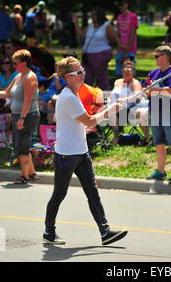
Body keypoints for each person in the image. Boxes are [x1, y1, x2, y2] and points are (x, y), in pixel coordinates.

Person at [43, 56, 128, 245]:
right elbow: (89, 120)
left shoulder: (73, 95)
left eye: (82, 70)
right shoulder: (68, 97)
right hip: (66, 154)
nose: (83, 74)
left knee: (92, 192)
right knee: (59, 194)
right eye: (78, 72)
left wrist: (83, 126)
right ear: (68, 77)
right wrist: (110, 110)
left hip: (81, 152)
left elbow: (71, 121)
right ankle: (49, 232)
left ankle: (105, 232)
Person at [0, 49, 40, 184]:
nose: (14, 65)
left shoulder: (30, 77)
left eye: (16, 62)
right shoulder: (18, 76)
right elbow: (6, 94)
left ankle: (24, 176)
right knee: (18, 144)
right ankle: (32, 173)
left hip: (28, 115)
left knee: (22, 145)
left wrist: (22, 119)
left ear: (24, 63)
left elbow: (28, 100)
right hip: (18, 115)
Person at [145, 46, 171, 184]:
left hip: (170, 111)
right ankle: (160, 171)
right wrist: (153, 90)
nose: (155, 58)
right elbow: (147, 89)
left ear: (166, 57)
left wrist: (156, 90)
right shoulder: (153, 73)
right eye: (155, 56)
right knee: (159, 143)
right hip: (155, 110)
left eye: (158, 56)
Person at [72, 8, 120, 91]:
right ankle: (87, 97)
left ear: (99, 15)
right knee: (86, 78)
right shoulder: (90, 25)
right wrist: (75, 22)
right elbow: (81, 33)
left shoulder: (106, 25)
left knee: (101, 77)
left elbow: (113, 39)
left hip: (100, 54)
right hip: (87, 55)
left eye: (95, 14)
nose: (93, 17)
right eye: (92, 14)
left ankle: (105, 96)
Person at [109, 59, 150, 145]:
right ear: (121, 71)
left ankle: (147, 138)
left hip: (128, 110)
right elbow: (112, 94)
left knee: (112, 112)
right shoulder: (117, 82)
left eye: (130, 70)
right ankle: (113, 137)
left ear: (133, 72)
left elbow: (138, 97)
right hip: (114, 108)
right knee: (108, 111)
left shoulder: (135, 83)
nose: (127, 72)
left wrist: (125, 99)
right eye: (125, 70)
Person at [115, 0, 138, 76]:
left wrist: (128, 47)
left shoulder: (133, 16)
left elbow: (133, 33)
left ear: (126, 4)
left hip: (130, 49)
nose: (120, 7)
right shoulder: (119, 17)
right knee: (119, 72)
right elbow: (118, 33)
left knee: (130, 72)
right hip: (120, 49)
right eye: (119, 5)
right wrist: (120, 44)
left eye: (122, 4)